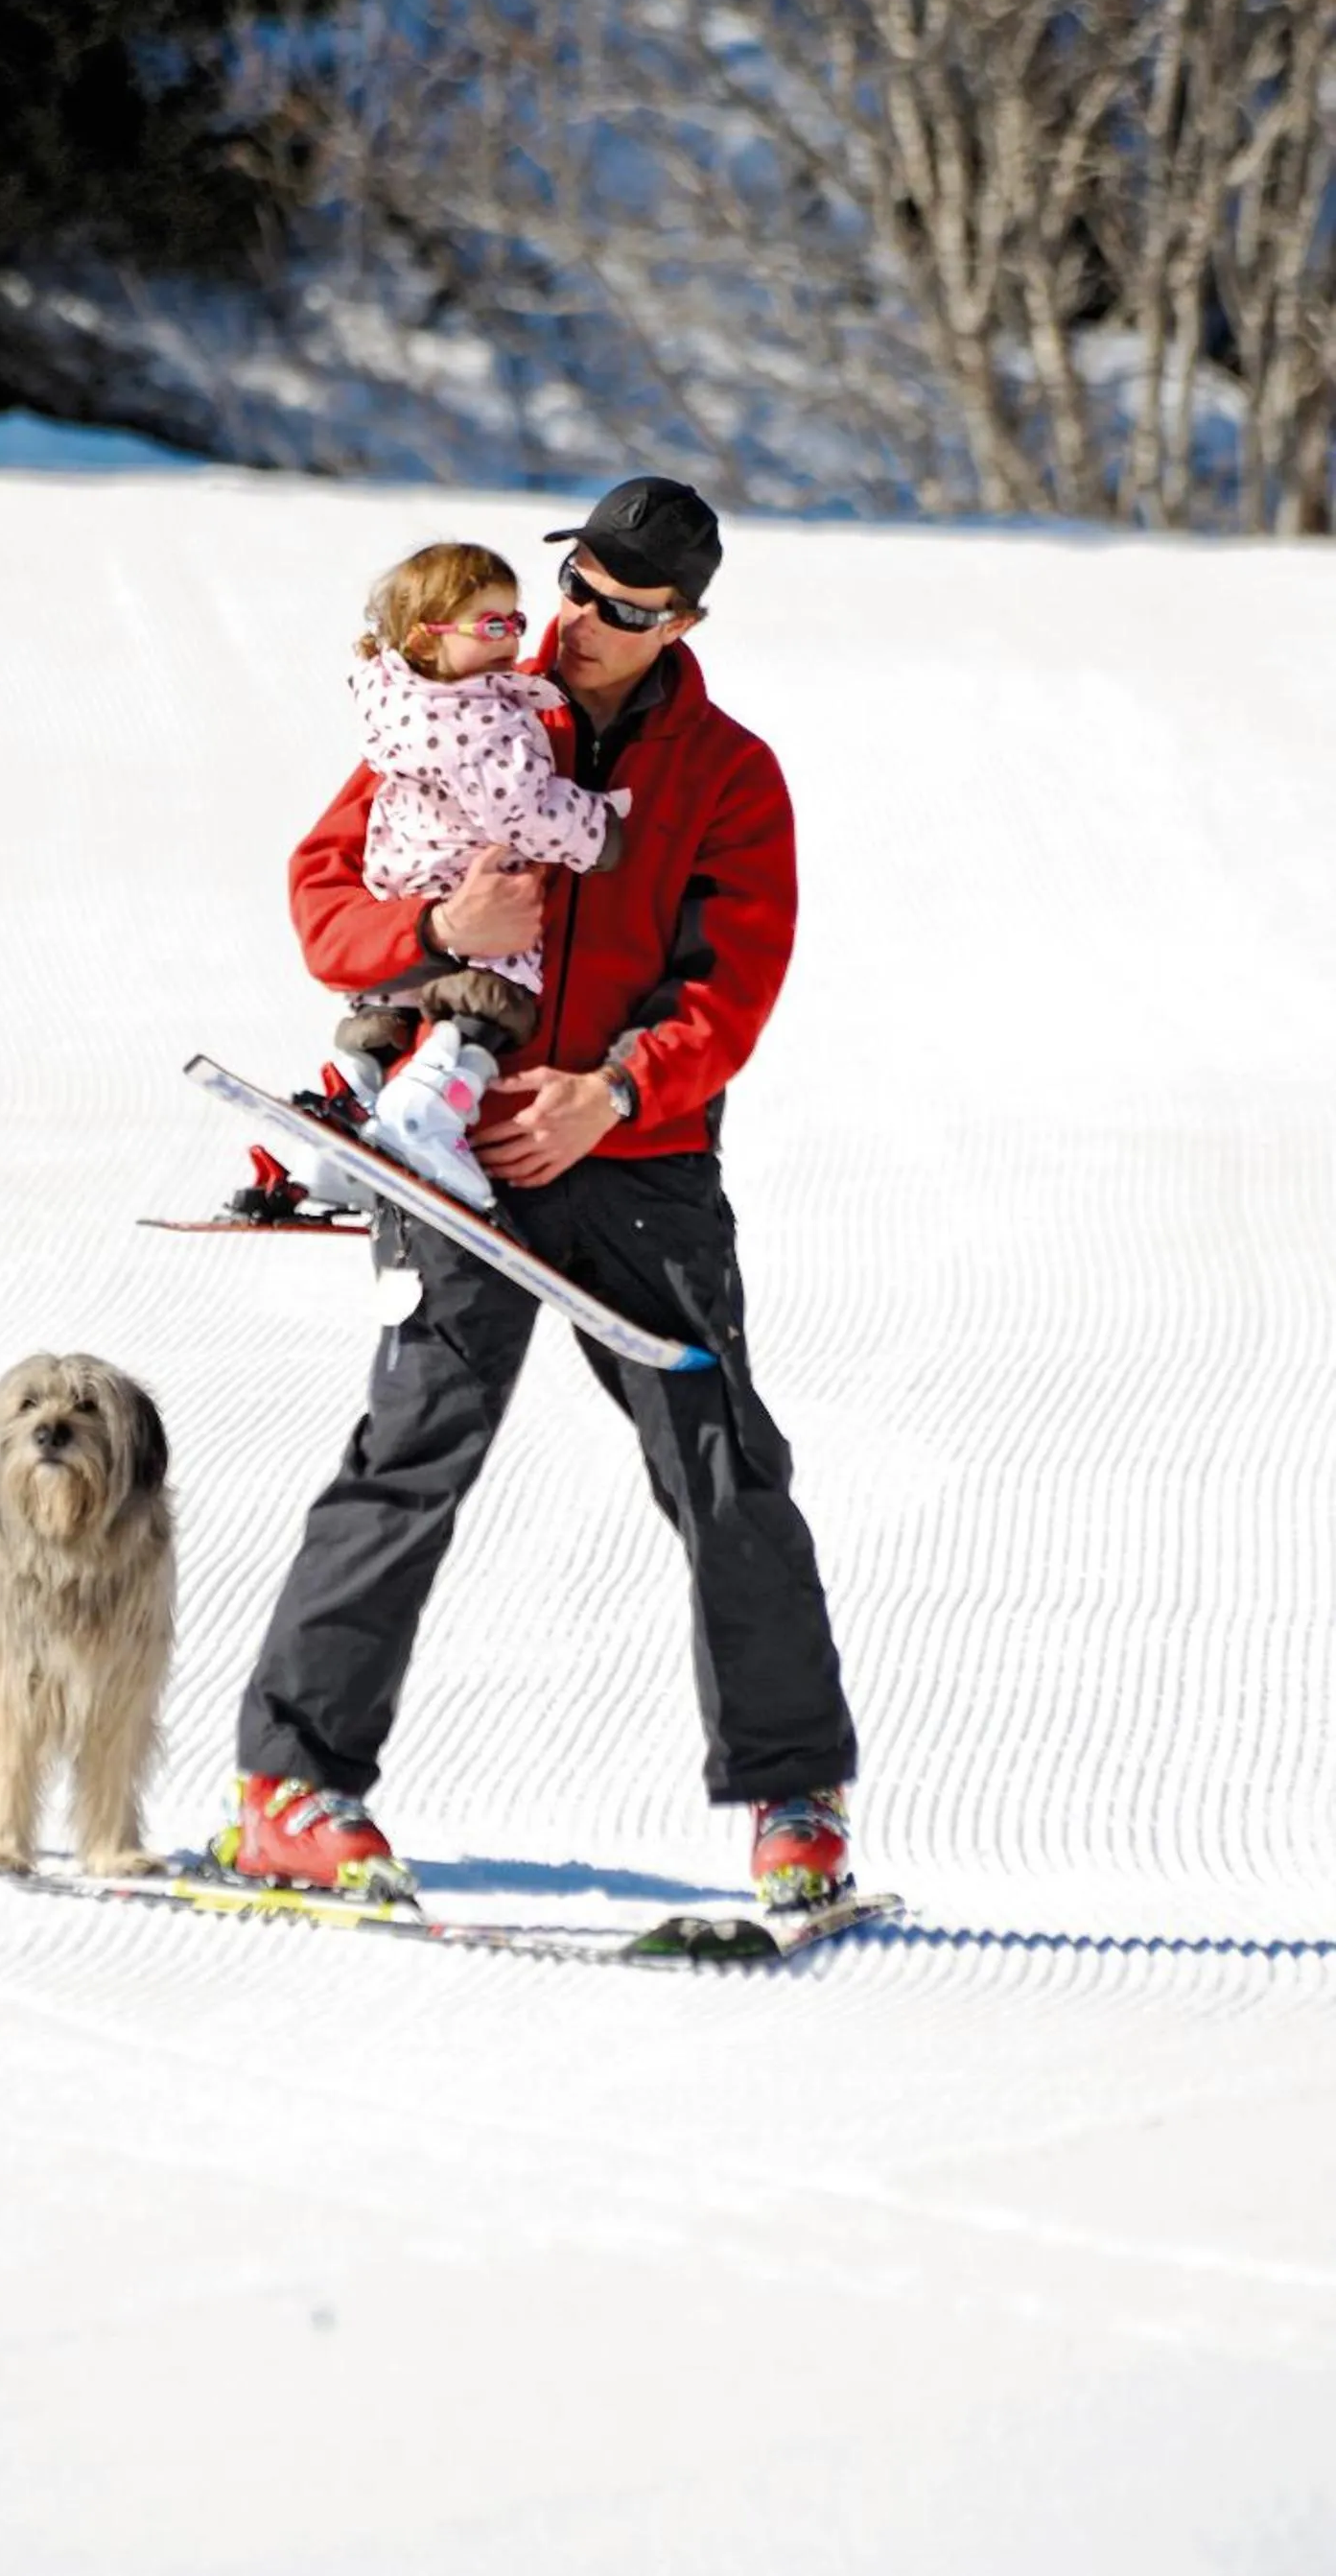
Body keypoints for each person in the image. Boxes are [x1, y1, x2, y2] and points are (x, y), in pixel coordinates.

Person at [213, 477, 859, 1911]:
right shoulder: (463, 702)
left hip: (635, 1169)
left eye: (625, 611)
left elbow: (728, 981)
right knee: (413, 1449)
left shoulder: (727, 773)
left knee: (722, 1466)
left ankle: (791, 1796)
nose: (577, 624)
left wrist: (612, 1091)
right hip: (452, 1160)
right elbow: (324, 889)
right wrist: (436, 927)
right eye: (574, 587)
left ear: (681, 621)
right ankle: (290, 1787)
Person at [324, 539, 630, 1212]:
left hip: (400, 910)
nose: (510, 640)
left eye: (516, 623)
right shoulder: (483, 719)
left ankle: (350, 1107)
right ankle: (430, 1108)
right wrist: (597, 827)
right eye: (490, 626)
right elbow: (524, 809)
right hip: (474, 909)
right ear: (425, 637)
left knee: (388, 1016)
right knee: (489, 1011)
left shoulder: (399, 703)